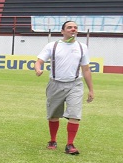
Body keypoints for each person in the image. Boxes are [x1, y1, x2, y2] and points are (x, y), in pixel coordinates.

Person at [35, 21, 95, 155]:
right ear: (62, 31)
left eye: (75, 27)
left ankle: (70, 144)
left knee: (74, 114)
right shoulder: (53, 46)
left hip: (75, 84)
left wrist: (91, 89)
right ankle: (52, 140)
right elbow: (39, 61)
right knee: (53, 114)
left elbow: (85, 69)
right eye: (69, 27)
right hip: (55, 84)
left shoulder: (82, 47)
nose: (73, 29)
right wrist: (38, 69)